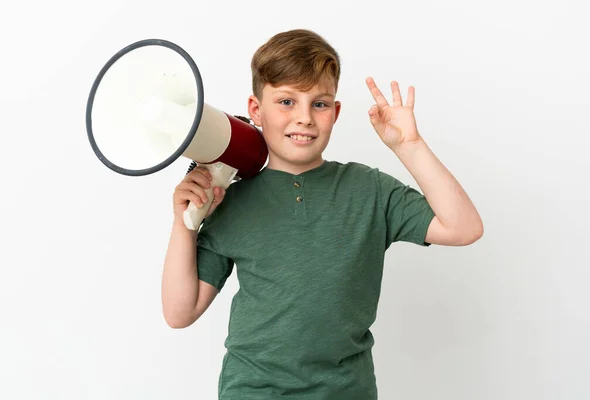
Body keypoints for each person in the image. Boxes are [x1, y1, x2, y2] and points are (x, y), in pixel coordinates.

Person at [161, 29, 483, 399]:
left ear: (336, 111)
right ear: (255, 110)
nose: (304, 118)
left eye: (319, 103)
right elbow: (179, 312)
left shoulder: (369, 190)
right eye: (286, 102)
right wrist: (184, 225)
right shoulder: (230, 201)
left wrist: (409, 146)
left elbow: (463, 227)